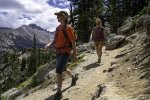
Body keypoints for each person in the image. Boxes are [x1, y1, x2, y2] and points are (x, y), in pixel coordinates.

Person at [45, 11, 78, 99]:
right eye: (57, 16)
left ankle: (59, 92)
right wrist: (49, 44)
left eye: (59, 16)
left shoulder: (68, 28)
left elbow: (73, 42)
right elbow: (55, 40)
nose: (57, 17)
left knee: (58, 69)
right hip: (58, 52)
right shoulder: (58, 28)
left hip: (66, 51)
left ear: (64, 17)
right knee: (63, 68)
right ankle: (73, 77)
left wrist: (75, 55)